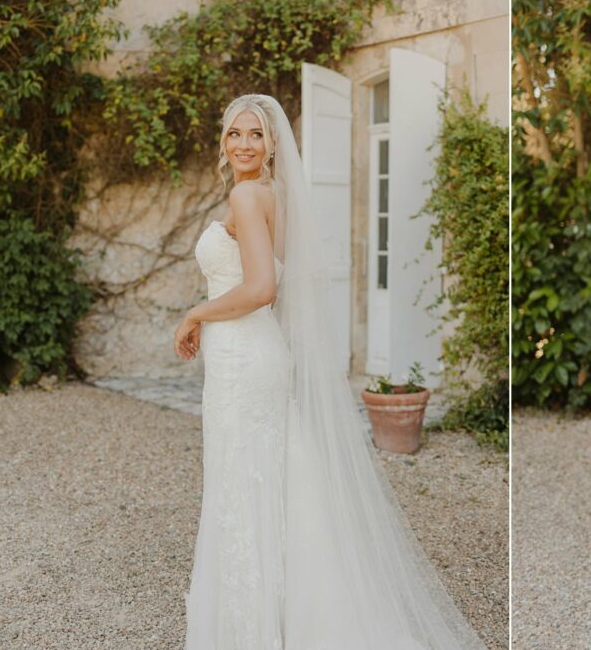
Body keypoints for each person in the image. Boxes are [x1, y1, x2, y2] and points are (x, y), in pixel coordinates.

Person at [172, 94, 486, 650]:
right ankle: (290, 615)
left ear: (272, 144)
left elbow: (262, 288)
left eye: (256, 135)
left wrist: (197, 311)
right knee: (266, 478)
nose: (244, 144)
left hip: (246, 356)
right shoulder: (273, 193)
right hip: (249, 351)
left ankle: (257, 627)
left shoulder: (248, 194)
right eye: (235, 134)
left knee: (246, 482)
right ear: (223, 140)